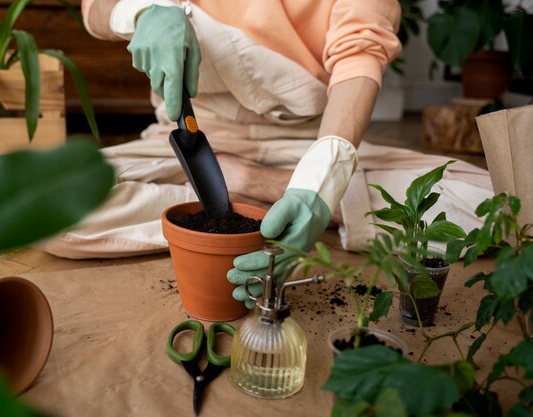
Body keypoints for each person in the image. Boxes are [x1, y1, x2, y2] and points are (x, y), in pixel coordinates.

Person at [45, 0, 488, 306]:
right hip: (197, 136)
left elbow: (359, 54)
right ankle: (254, 201)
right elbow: (95, 8)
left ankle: (259, 191)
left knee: (501, 206)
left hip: (309, 141)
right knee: (45, 206)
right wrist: (145, 11)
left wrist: (318, 187)